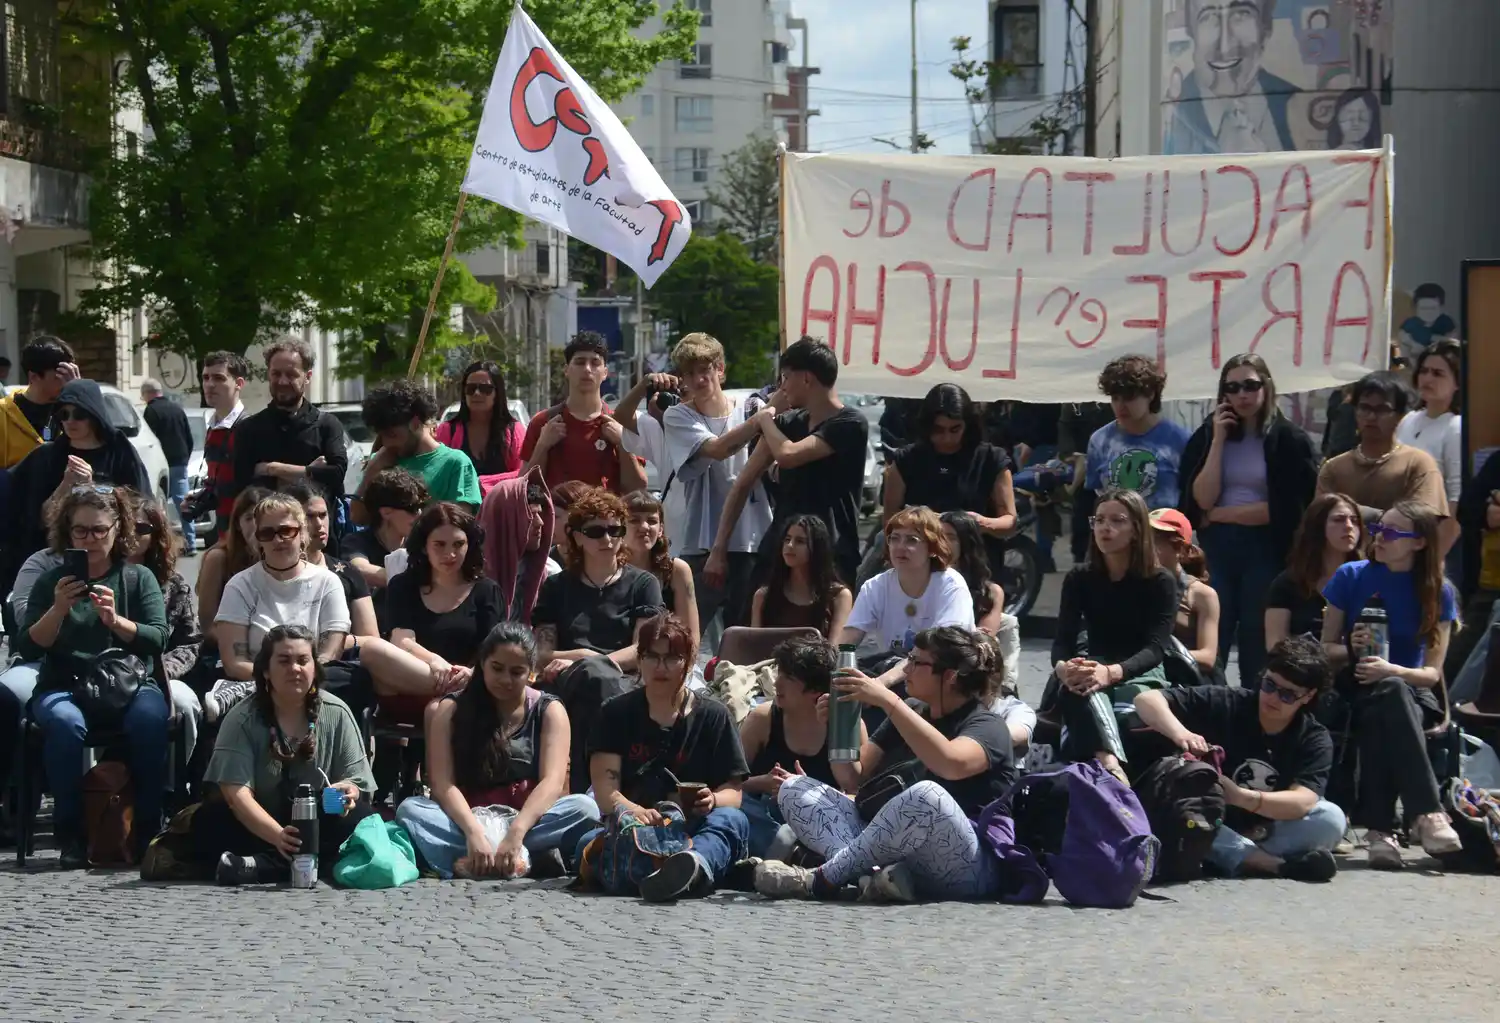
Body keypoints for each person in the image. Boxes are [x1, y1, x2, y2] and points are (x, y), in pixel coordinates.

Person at [754, 627, 1016, 902]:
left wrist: (888, 700)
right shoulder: (911, 710)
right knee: (795, 788)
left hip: (968, 865)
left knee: (926, 795)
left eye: (916, 662)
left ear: (949, 676)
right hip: (899, 857)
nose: (906, 669)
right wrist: (836, 727)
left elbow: (951, 763)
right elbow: (852, 778)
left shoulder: (988, 726)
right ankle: (871, 879)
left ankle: (818, 880)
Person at [15, 486, 170, 867]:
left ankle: (148, 829)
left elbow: (157, 638)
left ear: (118, 530)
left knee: (150, 719)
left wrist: (116, 621)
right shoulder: (51, 582)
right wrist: (57, 609)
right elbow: (29, 648)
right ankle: (71, 834)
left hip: (128, 683)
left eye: (100, 530)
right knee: (64, 724)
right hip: (64, 685)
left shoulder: (137, 577)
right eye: (81, 531)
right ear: (67, 533)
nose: (90, 539)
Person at [1320, 501, 1465, 866]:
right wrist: (1349, 647)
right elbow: (1324, 649)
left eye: (1391, 532)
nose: (1379, 537)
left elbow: (1431, 674)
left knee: (1391, 695)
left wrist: (1392, 670)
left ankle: (1381, 830)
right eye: (1378, 528)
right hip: (1355, 684)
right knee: (1386, 702)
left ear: (1419, 542)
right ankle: (1427, 813)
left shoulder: (1438, 591)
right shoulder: (1351, 575)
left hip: (1412, 690)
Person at [395, 622, 601, 879]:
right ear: (482, 664)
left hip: (528, 821)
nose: (505, 680)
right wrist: (474, 833)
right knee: (410, 810)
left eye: (516, 672)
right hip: (467, 821)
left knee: (584, 808)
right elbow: (442, 784)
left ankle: (485, 860)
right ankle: (516, 859)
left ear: (531, 673)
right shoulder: (451, 709)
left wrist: (516, 833)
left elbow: (552, 782)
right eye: (497, 668)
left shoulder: (549, 710)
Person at [1132, 636, 1346, 883]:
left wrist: (1239, 797)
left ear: (1308, 696)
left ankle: (1231, 856)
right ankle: (1274, 865)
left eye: (1287, 695)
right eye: (1269, 685)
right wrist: (1182, 734)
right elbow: (1146, 700)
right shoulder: (1228, 701)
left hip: (1264, 828)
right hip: (1206, 816)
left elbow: (1303, 801)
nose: (1273, 698)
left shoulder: (1313, 737)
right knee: (1176, 811)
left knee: (1330, 819)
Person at [190, 624, 376, 885]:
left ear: (314, 667)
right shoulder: (242, 718)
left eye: (303, 660)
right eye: (284, 661)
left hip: (315, 824)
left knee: (361, 818)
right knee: (209, 822)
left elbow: (356, 782)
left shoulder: (337, 712)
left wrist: (347, 792)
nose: (295, 669)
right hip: (257, 825)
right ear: (266, 670)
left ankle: (260, 867)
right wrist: (278, 835)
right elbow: (236, 796)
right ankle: (301, 863)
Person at [585, 613, 750, 901]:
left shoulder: (714, 716)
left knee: (732, 819)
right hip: (635, 825)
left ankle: (690, 867)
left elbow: (734, 792)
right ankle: (667, 869)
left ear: (688, 662)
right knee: (586, 843)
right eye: (652, 657)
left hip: (694, 826)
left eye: (672, 658)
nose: (661, 667)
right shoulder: (615, 713)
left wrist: (712, 799)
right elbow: (605, 791)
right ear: (640, 659)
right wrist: (634, 811)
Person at [1180, 354, 1318, 685]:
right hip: (1217, 548)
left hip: (1266, 548)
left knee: (1257, 636)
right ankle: (1209, 704)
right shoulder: (1207, 435)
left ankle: (1256, 705)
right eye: (1232, 388)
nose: (1242, 395)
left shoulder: (1288, 439)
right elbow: (1201, 500)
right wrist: (1218, 441)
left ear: (1266, 387)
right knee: (1213, 632)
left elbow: (1287, 510)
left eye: (1251, 385)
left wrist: (1220, 514)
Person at [532, 487, 664, 792]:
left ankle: (590, 786)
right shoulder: (556, 587)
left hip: (624, 677)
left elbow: (644, 648)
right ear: (577, 538)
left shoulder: (643, 584)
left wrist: (593, 660)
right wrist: (582, 658)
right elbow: (542, 654)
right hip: (565, 678)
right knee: (592, 679)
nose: (607, 539)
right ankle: (602, 786)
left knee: (598, 679)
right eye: (596, 532)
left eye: (615, 530)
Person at [710, 336, 869, 587]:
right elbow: (742, 483)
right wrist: (719, 549)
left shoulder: (850, 423)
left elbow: (788, 455)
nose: (781, 387)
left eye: (785, 377)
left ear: (806, 378)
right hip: (780, 554)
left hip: (830, 556)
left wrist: (764, 419)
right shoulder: (786, 424)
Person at [1048, 488, 1176, 781]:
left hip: (1139, 672)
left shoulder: (1160, 581)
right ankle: (1111, 766)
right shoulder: (1079, 578)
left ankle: (1109, 768)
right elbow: (1063, 641)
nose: (1105, 528)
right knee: (1076, 686)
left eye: (1117, 521)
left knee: (1095, 694)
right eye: (1099, 520)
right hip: (1095, 664)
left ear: (1136, 530)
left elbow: (1157, 647)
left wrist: (1112, 673)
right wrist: (1063, 668)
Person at [662, 333, 775, 629]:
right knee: (687, 631)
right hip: (701, 540)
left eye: (705, 370)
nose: (698, 380)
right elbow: (719, 449)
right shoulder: (678, 416)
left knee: (745, 631)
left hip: (752, 537)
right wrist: (762, 419)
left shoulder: (751, 407)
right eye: (689, 373)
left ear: (720, 370)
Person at [357, 503, 505, 722]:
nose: (450, 554)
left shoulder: (487, 590)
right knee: (371, 650)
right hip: (416, 683)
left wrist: (472, 673)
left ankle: (461, 691)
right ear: (425, 546)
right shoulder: (403, 585)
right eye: (439, 545)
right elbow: (402, 641)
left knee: (441, 708)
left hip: (471, 682)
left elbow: (494, 648)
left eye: (458, 544)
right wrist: (434, 661)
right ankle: (457, 691)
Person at [209, 494, 350, 722]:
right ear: (258, 540)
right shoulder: (240, 585)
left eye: (286, 531)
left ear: (302, 533)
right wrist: (281, 681)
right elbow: (234, 662)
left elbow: (330, 650)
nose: (277, 540)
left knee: (351, 679)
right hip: (258, 681)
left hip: (315, 680)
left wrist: (299, 681)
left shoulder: (327, 582)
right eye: (267, 533)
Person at [8, 379, 155, 572]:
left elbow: (141, 509)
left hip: (110, 558)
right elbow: (39, 519)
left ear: (94, 414)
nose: (70, 421)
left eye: (79, 415)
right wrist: (66, 484)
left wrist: (93, 490)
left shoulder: (119, 452)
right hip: (57, 560)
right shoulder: (48, 456)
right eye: (64, 414)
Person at [738, 637, 864, 858]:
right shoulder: (763, 718)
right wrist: (763, 783)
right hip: (765, 814)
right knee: (735, 810)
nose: (776, 683)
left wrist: (805, 789)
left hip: (817, 818)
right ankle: (790, 850)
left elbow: (855, 793)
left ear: (814, 689)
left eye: (788, 678)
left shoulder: (848, 725)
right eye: (779, 674)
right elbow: (728, 781)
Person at [881, 383, 1017, 586]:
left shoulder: (991, 459)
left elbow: (1009, 522)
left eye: (955, 429)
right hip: (919, 568)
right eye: (939, 430)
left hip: (975, 568)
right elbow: (889, 521)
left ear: (967, 425)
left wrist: (980, 523)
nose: (947, 438)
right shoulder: (906, 460)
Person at [839, 507, 974, 699]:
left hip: (941, 678)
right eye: (894, 538)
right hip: (892, 672)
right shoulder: (875, 586)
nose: (900, 547)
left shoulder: (951, 585)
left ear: (932, 548)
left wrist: (879, 685)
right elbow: (847, 642)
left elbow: (936, 650)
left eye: (912, 540)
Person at [519, 331, 646, 494]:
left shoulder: (624, 423)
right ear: (566, 370)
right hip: (556, 511)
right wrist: (542, 446)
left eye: (595, 363)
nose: (587, 369)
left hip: (608, 511)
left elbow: (638, 488)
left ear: (605, 373)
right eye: (580, 362)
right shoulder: (543, 422)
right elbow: (523, 487)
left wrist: (623, 444)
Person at [1316, 372, 1449, 525]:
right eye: (1364, 408)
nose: (1371, 417)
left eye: (1382, 410)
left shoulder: (1418, 465)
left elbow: (1424, 523)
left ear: (1400, 415)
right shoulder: (1333, 469)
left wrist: (1358, 513)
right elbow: (1319, 522)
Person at [130, 498, 206, 759]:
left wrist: (166, 670)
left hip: (159, 673)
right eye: (126, 527)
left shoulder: (173, 584)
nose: (132, 534)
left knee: (184, 703)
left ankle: (177, 779)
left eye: (141, 528)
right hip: (107, 674)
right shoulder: (101, 575)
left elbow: (190, 641)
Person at [230, 337, 348, 499]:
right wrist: (309, 472)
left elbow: (336, 474)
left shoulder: (326, 425)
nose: (283, 381)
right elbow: (242, 485)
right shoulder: (249, 429)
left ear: (307, 376)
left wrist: (272, 469)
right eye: (276, 374)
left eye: (291, 374)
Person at [357, 379, 481, 518]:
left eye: (392, 435)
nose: (386, 443)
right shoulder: (380, 462)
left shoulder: (455, 464)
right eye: (381, 436)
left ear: (415, 423)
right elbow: (357, 517)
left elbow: (461, 522)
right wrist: (371, 471)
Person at [1086, 355, 1191, 512]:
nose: (1120, 406)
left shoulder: (1180, 439)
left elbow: (1192, 496)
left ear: (1151, 394)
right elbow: (1095, 495)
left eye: (1129, 397)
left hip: (1163, 525)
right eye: (1115, 398)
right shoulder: (1099, 441)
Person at [282, 482, 380, 649]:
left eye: (323, 515)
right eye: (309, 517)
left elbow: (371, 639)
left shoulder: (348, 573)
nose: (319, 524)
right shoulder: (273, 573)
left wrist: (336, 641)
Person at [1396, 339, 1463, 578]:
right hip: (1400, 534)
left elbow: (1456, 499)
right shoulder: (1409, 420)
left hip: (1437, 542)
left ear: (1457, 382)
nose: (1427, 378)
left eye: (1438, 373)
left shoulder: (1455, 427)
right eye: (1424, 371)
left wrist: (1435, 558)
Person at [1264, 494, 1366, 650]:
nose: (1349, 526)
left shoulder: (1369, 578)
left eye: (1354, 520)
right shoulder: (1288, 583)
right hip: (1303, 664)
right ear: (1317, 526)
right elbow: (1275, 645)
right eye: (1338, 520)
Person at [612, 369, 688, 553]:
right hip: (676, 536)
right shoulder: (659, 425)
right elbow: (621, 415)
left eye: (683, 392)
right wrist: (644, 384)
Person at [749, 513, 852, 639]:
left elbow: (837, 646)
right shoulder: (763, 596)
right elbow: (754, 644)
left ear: (817, 548)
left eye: (800, 541)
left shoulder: (839, 596)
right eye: (787, 539)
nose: (790, 546)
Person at [341, 467, 429, 614]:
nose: (419, 513)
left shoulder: (423, 542)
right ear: (386, 512)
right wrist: (415, 578)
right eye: (412, 508)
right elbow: (359, 569)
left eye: (421, 506)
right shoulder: (356, 542)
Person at [479, 471, 557, 623]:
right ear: (505, 519)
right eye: (531, 515)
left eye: (540, 514)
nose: (540, 522)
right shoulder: (467, 578)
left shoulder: (550, 576)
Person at [195, 486, 270, 643]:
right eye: (249, 518)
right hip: (229, 644)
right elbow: (208, 624)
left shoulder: (285, 558)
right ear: (237, 524)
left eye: (263, 517)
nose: (256, 525)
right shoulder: (219, 558)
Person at [623, 489, 699, 644]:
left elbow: (691, 634)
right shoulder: (611, 570)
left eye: (652, 521)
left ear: (660, 530)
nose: (644, 527)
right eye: (634, 520)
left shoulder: (676, 570)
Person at [436, 360, 524, 487]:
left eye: (485, 389)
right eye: (470, 389)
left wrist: (481, 483)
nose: (476, 393)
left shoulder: (514, 430)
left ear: (497, 393)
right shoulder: (447, 430)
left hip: (502, 499)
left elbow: (522, 473)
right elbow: (438, 473)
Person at [196, 351, 249, 548]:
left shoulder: (249, 428)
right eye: (206, 378)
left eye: (219, 378)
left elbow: (253, 489)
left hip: (245, 536)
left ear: (239, 383)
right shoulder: (214, 426)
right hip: (221, 531)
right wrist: (201, 498)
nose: (210, 384)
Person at [0, 335, 77, 468]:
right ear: (34, 377)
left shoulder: (73, 411)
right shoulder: (3, 415)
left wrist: (79, 393)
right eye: (59, 376)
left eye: (70, 375)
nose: (65, 382)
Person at [140, 377, 195, 554]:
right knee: (183, 502)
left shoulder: (151, 411)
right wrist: (185, 458)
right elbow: (189, 437)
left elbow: (149, 439)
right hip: (180, 461)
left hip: (161, 463)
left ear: (147, 394)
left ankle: (163, 543)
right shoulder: (177, 408)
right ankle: (191, 542)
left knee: (158, 504)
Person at [938, 510, 1006, 634]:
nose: (942, 542)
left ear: (966, 543)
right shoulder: (922, 579)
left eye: (950, 537)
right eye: (938, 536)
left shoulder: (990, 592)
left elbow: (985, 638)